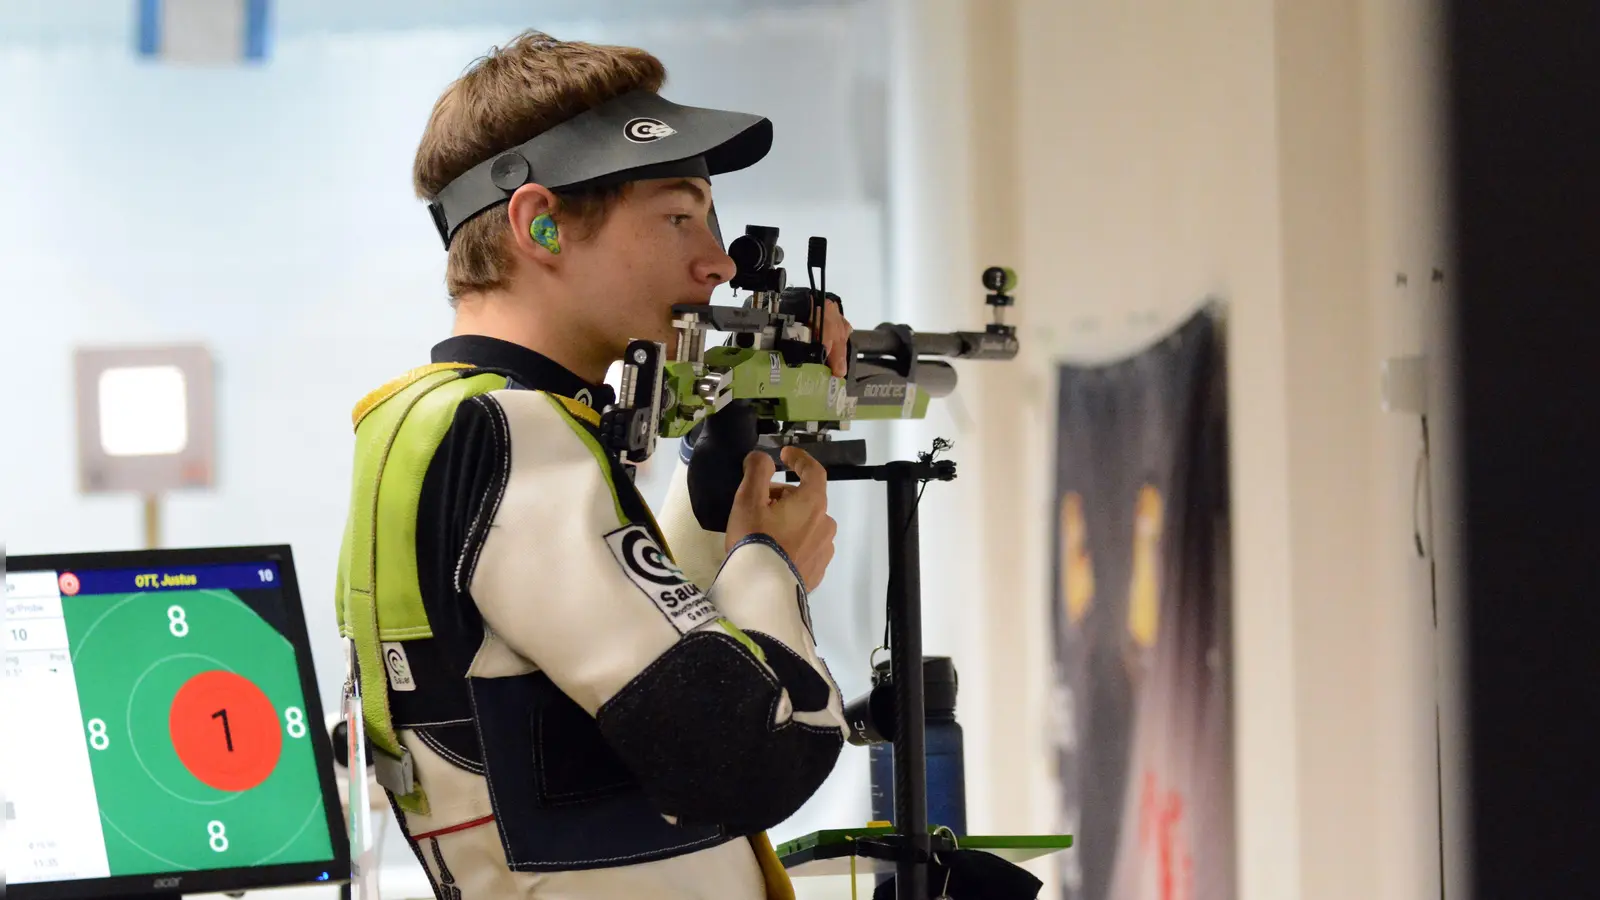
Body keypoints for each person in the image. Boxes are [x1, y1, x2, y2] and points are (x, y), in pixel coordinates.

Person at [332, 28, 855, 900]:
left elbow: (609, 671)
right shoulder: (510, 431)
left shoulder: (438, 423)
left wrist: (727, 474)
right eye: (677, 214)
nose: (717, 261)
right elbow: (762, 751)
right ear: (539, 223)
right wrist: (772, 570)